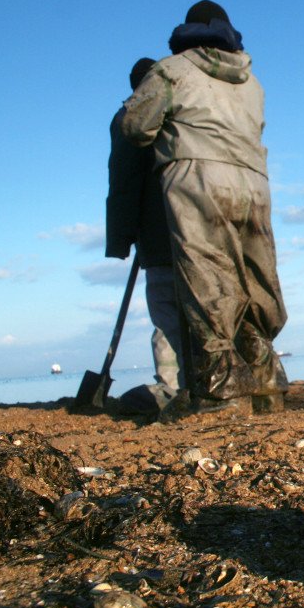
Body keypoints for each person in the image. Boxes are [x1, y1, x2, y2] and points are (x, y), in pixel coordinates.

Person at [121, 0, 288, 415]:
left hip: (198, 179)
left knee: (209, 283)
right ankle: (267, 386)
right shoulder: (252, 82)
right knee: (254, 284)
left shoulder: (171, 71)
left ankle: (223, 397)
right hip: (254, 184)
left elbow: (133, 126)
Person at [105, 57, 185, 415]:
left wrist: (121, 238)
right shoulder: (186, 108)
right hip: (202, 229)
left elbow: (123, 182)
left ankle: (173, 389)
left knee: (167, 314)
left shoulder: (130, 119)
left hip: (157, 235)